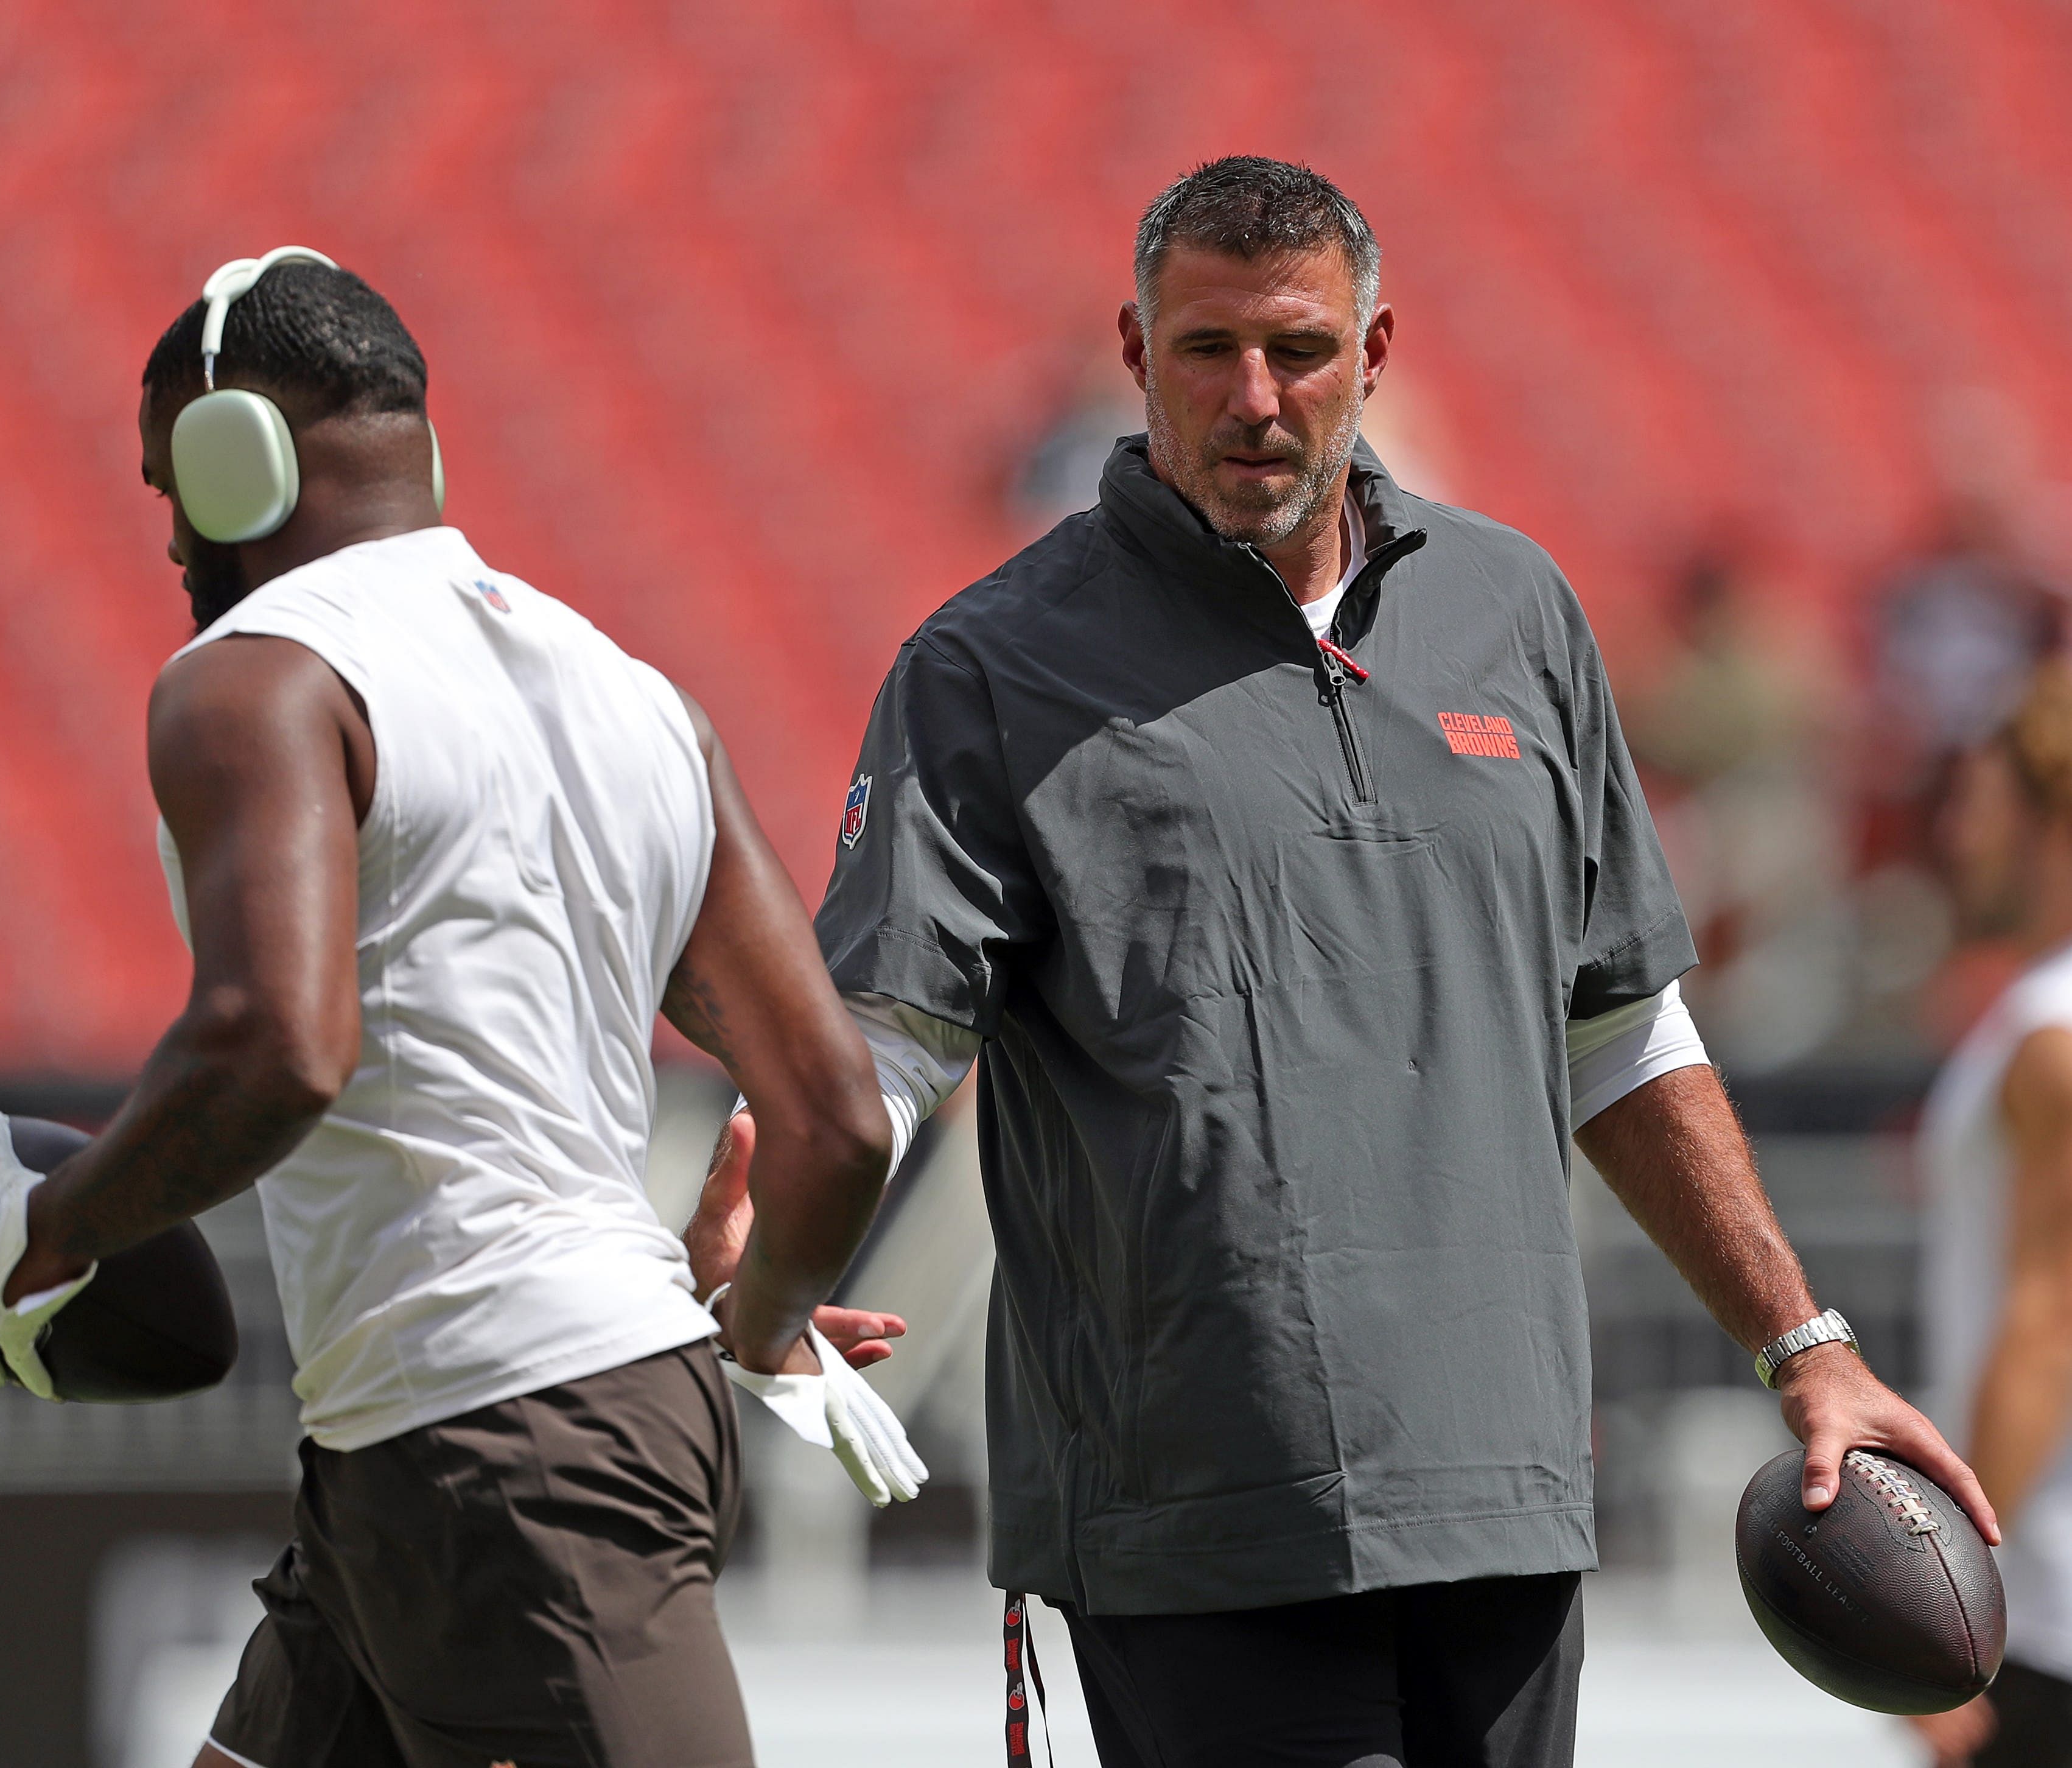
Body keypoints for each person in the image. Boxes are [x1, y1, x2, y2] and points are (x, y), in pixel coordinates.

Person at [688, 156, 1998, 1766]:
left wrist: (1808, 1352)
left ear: (1372, 357)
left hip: (1505, 1489)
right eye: (1207, 349)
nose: (1254, 397)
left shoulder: (1516, 612)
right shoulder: (988, 667)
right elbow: (884, 1041)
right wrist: (780, 1217)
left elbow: (1620, 1032)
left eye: (1299, 351)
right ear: (1133, 349)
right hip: (1198, 1510)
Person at [0, 249, 922, 1768]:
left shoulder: (253, 682)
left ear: (228, 458)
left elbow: (279, 1048)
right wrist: (752, 1337)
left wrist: (51, 1236)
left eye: (170, 480)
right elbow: (833, 1115)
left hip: (498, 1457)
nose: (169, 534)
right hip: (462, 1446)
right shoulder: (640, 698)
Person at [1912, 661, 2072, 1768]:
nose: (1957, 835)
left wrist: (1945, 1602)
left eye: (1981, 801)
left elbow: (2045, 1323)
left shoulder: (2052, 1034)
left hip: (2048, 1604)